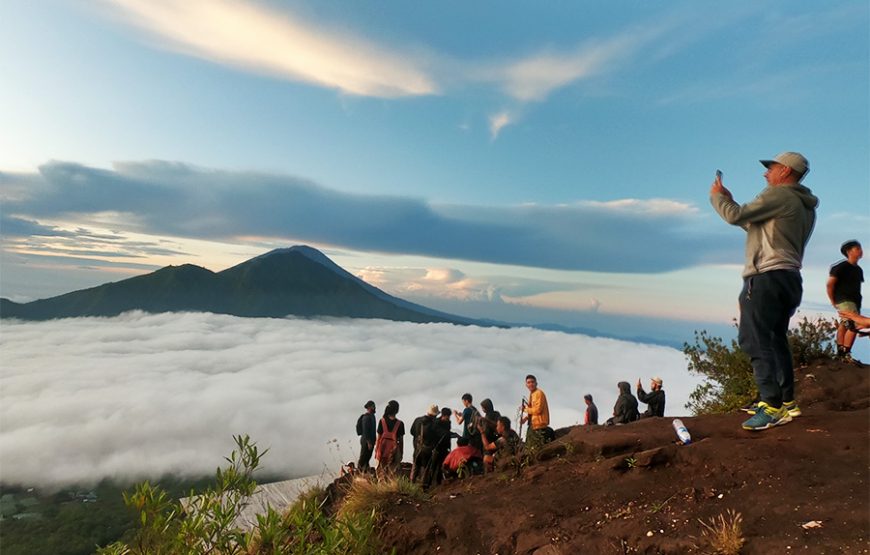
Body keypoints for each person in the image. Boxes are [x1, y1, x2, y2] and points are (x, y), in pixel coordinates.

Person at [710, 152, 818, 431]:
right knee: (775, 339)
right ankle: (786, 401)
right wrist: (732, 204)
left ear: (785, 171)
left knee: (754, 340)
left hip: (766, 277)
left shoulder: (779, 195)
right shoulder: (804, 205)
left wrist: (719, 197)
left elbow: (736, 216)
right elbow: (755, 225)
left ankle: (771, 406)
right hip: (789, 277)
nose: (765, 173)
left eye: (770, 168)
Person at [828, 240, 864, 364]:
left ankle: (840, 353)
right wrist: (833, 301)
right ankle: (846, 353)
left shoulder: (858, 270)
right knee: (854, 325)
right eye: (857, 248)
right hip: (844, 299)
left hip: (854, 301)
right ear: (849, 251)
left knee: (844, 325)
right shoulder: (841, 267)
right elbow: (830, 285)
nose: (860, 251)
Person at [520, 374, 554, 443]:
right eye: (528, 382)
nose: (531, 384)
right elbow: (533, 410)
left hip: (539, 426)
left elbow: (538, 410)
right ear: (526, 385)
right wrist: (526, 419)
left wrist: (525, 409)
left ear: (536, 383)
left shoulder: (539, 393)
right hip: (533, 425)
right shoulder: (532, 394)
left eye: (532, 382)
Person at [409, 404, 439, 482]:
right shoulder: (433, 425)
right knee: (424, 467)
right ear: (434, 415)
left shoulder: (417, 420)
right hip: (427, 450)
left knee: (415, 465)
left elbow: (412, 432)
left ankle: (411, 484)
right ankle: (422, 486)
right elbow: (436, 438)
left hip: (417, 447)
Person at [375, 400, 405, 477]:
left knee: (381, 471)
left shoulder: (382, 421)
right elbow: (401, 440)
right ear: (397, 410)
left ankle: (381, 487)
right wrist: (401, 453)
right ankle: (391, 485)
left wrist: (377, 451)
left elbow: (378, 438)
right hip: (394, 450)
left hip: (383, 449)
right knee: (393, 472)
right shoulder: (400, 424)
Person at [356, 400, 376, 472]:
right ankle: (358, 472)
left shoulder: (372, 416)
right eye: (373, 406)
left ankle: (364, 471)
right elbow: (366, 430)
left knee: (367, 457)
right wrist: (369, 442)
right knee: (363, 457)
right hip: (366, 441)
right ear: (369, 407)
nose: (374, 407)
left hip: (370, 440)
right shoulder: (366, 417)